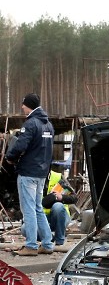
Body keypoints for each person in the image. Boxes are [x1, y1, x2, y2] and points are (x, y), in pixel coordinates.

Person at [7, 94, 55, 257]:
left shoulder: (31, 124)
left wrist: (10, 157)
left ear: (29, 105)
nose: (22, 107)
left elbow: (20, 144)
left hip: (28, 172)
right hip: (41, 173)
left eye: (23, 104)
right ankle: (47, 244)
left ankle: (31, 245)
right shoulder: (48, 125)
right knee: (37, 208)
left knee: (28, 209)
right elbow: (49, 151)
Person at [41, 167, 77, 248]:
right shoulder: (32, 178)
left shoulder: (57, 177)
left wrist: (62, 197)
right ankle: (50, 237)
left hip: (60, 216)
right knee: (24, 229)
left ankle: (59, 240)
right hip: (42, 218)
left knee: (58, 206)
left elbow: (74, 197)